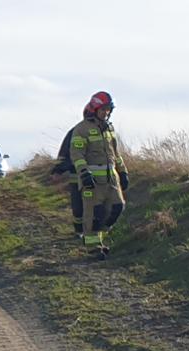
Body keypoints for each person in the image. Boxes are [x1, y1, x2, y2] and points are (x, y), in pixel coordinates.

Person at [63, 91, 130, 256]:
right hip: (92, 181)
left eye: (108, 109)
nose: (106, 112)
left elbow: (116, 153)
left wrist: (123, 172)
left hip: (111, 179)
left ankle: (99, 236)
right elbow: (76, 154)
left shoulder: (109, 129)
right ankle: (93, 247)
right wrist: (84, 173)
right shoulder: (81, 129)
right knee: (94, 213)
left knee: (117, 207)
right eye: (103, 109)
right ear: (94, 109)